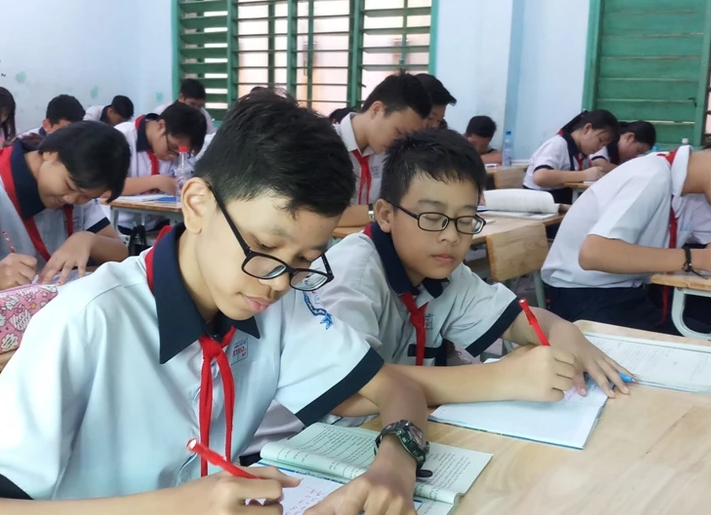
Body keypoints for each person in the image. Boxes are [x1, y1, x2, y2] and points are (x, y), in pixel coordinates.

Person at [0, 91, 430, 515]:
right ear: (198, 204)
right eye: (265, 247)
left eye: (304, 260)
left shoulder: (279, 303)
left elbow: (396, 388)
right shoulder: (89, 319)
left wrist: (394, 466)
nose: (278, 281)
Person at [254, 129, 629, 450]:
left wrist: (563, 331)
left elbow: (520, 320)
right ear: (385, 215)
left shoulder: (446, 274)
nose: (451, 235)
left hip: (388, 430)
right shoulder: (352, 274)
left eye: (465, 220)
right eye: (432, 218)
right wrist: (501, 378)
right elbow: (347, 394)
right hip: (296, 448)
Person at [541, 119, 711, 332]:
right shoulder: (651, 175)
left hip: (630, 294)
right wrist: (698, 258)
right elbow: (594, 254)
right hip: (583, 299)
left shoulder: (696, 193)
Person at [0, 121, 130, 291]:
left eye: (87, 197)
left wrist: (88, 240)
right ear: (50, 153)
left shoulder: (81, 185)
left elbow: (120, 253)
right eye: (69, 186)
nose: (71, 199)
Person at [336, 73, 432, 226]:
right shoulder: (323, 144)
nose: (399, 143)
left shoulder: (387, 154)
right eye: (398, 132)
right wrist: (377, 211)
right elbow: (325, 213)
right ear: (376, 109)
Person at [115, 103, 207, 235]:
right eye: (172, 147)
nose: (173, 157)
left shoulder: (178, 154)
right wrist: (157, 181)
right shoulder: (121, 137)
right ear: (161, 126)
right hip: (119, 228)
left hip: (161, 226)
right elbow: (106, 188)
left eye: (181, 154)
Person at [523, 109, 620, 204]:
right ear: (587, 129)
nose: (599, 148)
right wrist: (584, 175)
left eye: (604, 145)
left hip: (561, 203)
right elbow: (540, 177)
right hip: (539, 204)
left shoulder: (582, 154)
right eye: (600, 140)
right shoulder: (557, 144)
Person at [589, 120, 656, 169]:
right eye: (638, 150)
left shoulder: (624, 157)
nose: (635, 156)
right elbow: (599, 164)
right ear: (629, 137)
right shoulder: (605, 143)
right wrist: (626, 172)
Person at [19, 94, 86, 140]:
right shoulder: (23, 145)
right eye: (64, 132)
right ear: (46, 125)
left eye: (76, 133)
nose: (70, 138)